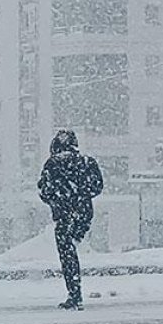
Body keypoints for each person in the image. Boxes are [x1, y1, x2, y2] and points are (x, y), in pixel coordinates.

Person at [37, 130, 103, 311]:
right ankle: (75, 290)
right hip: (83, 213)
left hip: (63, 215)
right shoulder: (87, 162)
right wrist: (81, 196)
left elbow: (44, 191)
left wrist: (59, 199)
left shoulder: (52, 164)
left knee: (67, 254)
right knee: (73, 246)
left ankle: (75, 294)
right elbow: (98, 187)